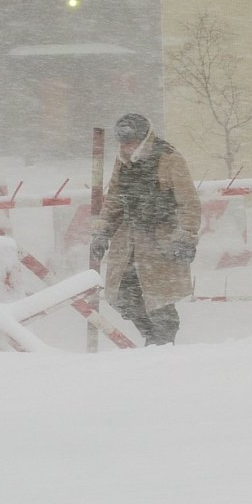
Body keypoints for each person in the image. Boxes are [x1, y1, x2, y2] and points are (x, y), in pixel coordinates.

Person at [91, 113, 201, 347]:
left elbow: (188, 202)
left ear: (143, 139)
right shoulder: (122, 162)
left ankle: (163, 343)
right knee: (122, 295)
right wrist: (102, 232)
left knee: (160, 300)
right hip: (128, 243)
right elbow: (114, 200)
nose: (126, 148)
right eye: (123, 143)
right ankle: (152, 337)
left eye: (130, 143)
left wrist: (186, 238)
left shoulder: (170, 159)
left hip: (160, 241)